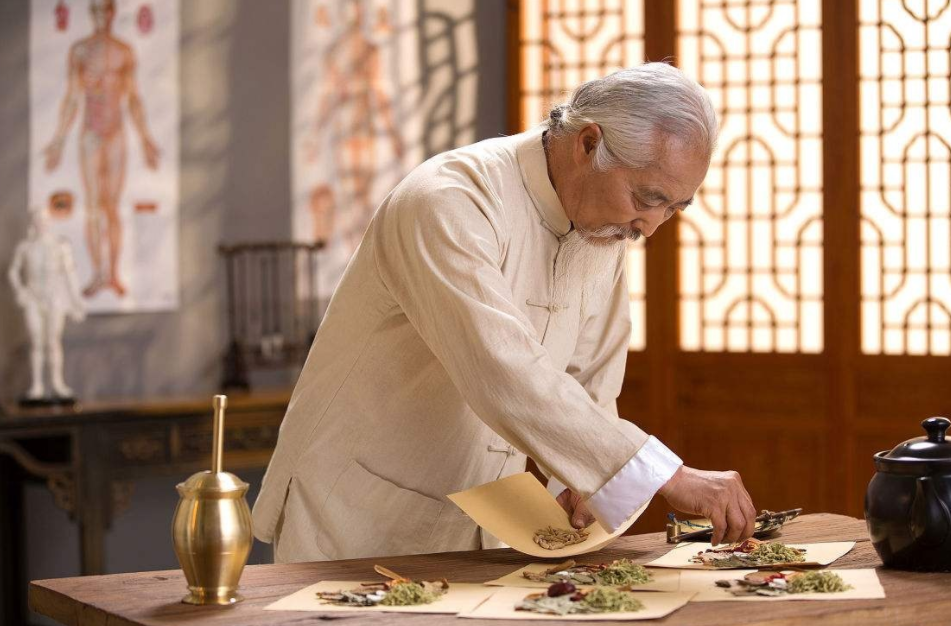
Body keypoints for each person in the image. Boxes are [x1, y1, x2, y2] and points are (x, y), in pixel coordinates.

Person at [254, 63, 757, 562]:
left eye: (672, 208)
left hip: (483, 526)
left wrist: (582, 481)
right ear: (587, 144)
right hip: (355, 517)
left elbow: (592, 381)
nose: (649, 228)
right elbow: (501, 368)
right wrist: (666, 474)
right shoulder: (450, 200)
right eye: (646, 199)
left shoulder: (600, 228)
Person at [43, 0, 160, 298]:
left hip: (116, 134)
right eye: (95, 10)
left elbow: (134, 98)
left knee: (113, 206)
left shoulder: (123, 52)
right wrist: (57, 140)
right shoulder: (80, 51)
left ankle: (114, 274)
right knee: (94, 206)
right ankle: (98, 273)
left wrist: (146, 139)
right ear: (91, 13)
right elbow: (71, 98)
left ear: (111, 13)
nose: (100, 16)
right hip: (90, 135)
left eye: (104, 10)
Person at [8, 208, 86, 400]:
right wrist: (21, 291)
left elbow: (70, 274)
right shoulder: (25, 247)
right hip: (34, 297)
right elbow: (13, 272)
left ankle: (57, 384)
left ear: (49, 222)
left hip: (54, 298)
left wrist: (77, 301)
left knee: (53, 341)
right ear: (33, 222)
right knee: (37, 341)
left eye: (44, 220)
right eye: (37, 220)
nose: (41, 223)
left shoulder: (59, 246)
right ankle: (37, 385)